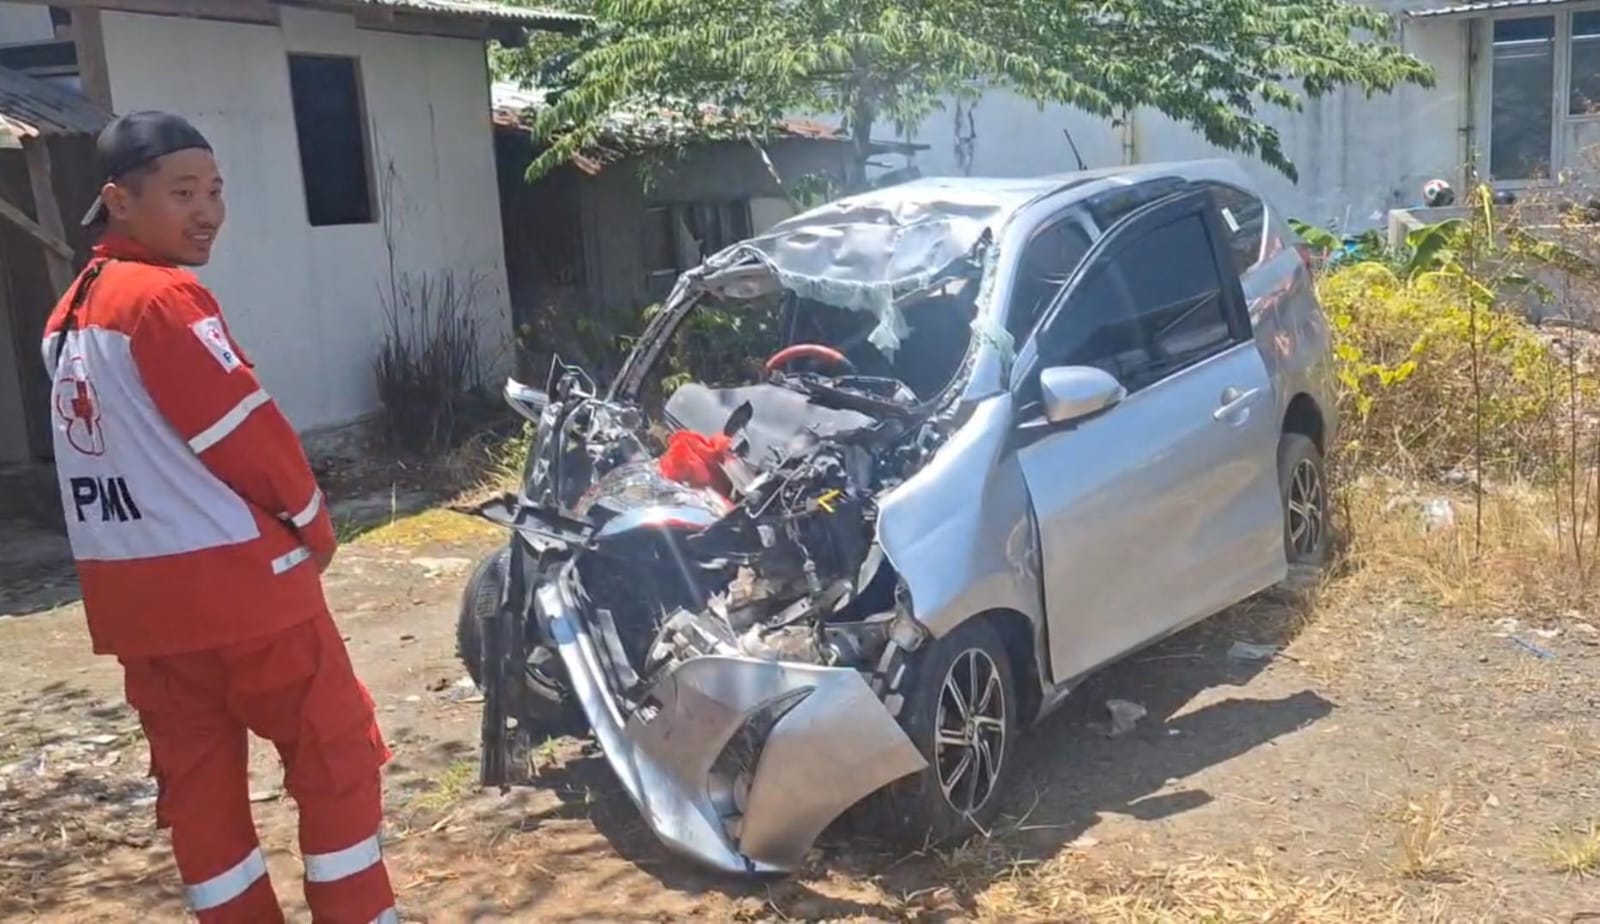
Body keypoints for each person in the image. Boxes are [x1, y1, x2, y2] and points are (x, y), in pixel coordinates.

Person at [41, 110, 397, 924]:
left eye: (213, 190)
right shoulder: (162, 299)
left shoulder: (65, 319)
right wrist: (312, 520)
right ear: (119, 201)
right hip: (245, 596)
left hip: (140, 610)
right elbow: (245, 434)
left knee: (198, 788)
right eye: (181, 193)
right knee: (335, 757)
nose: (206, 211)